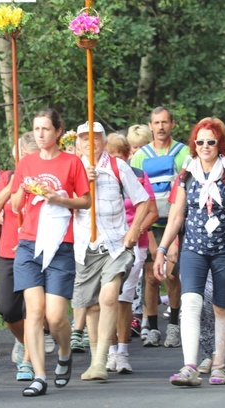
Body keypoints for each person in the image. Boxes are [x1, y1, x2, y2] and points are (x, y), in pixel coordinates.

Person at [153, 118, 225, 386]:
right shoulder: (186, 175)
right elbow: (176, 216)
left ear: (219, 144)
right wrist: (162, 248)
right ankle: (189, 366)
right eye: (200, 142)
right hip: (194, 248)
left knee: (222, 305)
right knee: (191, 304)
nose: (205, 146)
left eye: (211, 141)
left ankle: (219, 364)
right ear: (193, 145)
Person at [10, 109, 92, 397]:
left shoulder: (72, 163)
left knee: (55, 316)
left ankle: (65, 352)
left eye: (45, 128)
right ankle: (39, 375)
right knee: (34, 311)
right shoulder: (26, 163)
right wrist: (22, 189)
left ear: (58, 132)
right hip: (29, 243)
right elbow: (15, 206)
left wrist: (59, 199)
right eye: (36, 128)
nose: (40, 134)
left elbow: (85, 201)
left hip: (60, 244)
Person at [72, 122, 149, 381]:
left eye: (94, 139)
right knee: (92, 306)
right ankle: (96, 361)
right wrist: (81, 183)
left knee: (108, 297)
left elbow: (143, 200)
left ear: (104, 142)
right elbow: (64, 203)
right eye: (84, 139)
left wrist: (133, 231)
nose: (89, 144)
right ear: (78, 143)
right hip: (85, 246)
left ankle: (103, 360)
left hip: (116, 244)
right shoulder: (73, 168)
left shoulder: (118, 166)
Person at [130, 107, 190, 348]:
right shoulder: (139, 156)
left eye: (165, 122)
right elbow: (134, 195)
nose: (161, 127)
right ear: (150, 125)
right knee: (151, 278)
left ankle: (174, 325)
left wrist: (175, 237)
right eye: (157, 123)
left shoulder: (184, 152)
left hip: (176, 222)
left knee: (172, 276)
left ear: (172, 124)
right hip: (150, 223)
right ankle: (152, 327)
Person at [0, 132, 39, 381]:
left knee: (33, 310)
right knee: (7, 309)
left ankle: (29, 358)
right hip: (9, 251)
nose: (28, 161)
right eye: (24, 157)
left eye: (33, 156)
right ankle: (24, 340)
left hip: (37, 250)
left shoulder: (45, 178)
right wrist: (11, 186)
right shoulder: (7, 177)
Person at [104, 133, 158, 374]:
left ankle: (123, 351)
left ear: (127, 156)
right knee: (108, 296)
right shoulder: (101, 176)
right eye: (110, 156)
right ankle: (110, 350)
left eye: (120, 156)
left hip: (135, 242)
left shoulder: (137, 176)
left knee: (124, 296)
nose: (115, 161)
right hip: (107, 242)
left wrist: (136, 229)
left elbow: (152, 210)